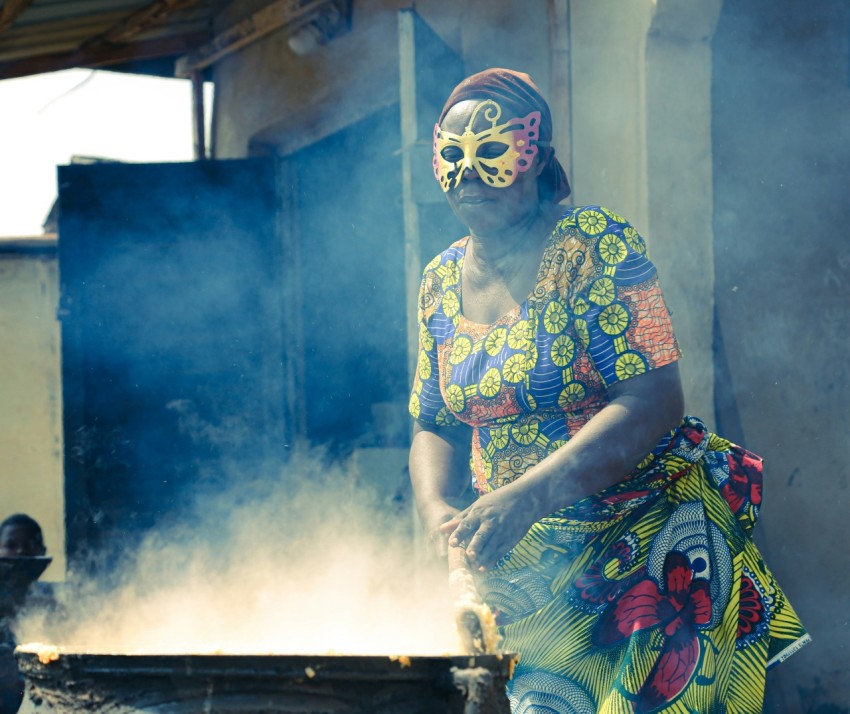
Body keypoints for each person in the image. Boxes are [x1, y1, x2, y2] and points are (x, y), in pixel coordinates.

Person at [408, 68, 810, 713]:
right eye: (452, 155)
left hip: (648, 543)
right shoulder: (440, 278)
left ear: (534, 155)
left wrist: (529, 493)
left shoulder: (596, 244)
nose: (469, 171)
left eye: (491, 150)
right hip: (525, 560)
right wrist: (435, 513)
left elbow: (653, 398)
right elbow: (434, 420)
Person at [0, 514, 51, 714]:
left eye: (29, 544)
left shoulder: (52, 600)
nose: (20, 551)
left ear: (42, 551)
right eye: (11, 545)